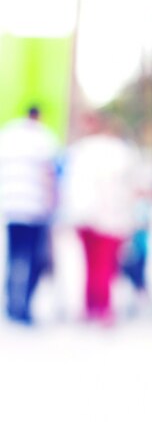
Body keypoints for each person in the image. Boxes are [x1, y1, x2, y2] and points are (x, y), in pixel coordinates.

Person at [59, 111, 141, 325]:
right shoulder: (121, 153)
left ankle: (91, 306)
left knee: (90, 265)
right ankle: (102, 308)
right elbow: (130, 188)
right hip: (110, 219)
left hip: (85, 217)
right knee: (105, 266)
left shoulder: (80, 151)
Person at [0, 106, 58, 324]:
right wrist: (53, 203)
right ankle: (23, 305)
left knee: (14, 255)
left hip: (11, 206)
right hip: (34, 208)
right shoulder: (43, 138)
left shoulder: (7, 135)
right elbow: (49, 173)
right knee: (32, 258)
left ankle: (10, 302)